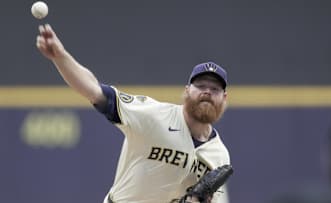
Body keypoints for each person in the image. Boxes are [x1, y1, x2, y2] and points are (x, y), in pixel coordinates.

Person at [36, 24, 231, 203]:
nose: (207, 91)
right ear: (187, 90)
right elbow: (95, 91)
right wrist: (60, 57)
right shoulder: (154, 115)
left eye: (214, 89)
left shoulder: (219, 155)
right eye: (201, 85)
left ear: (224, 98)